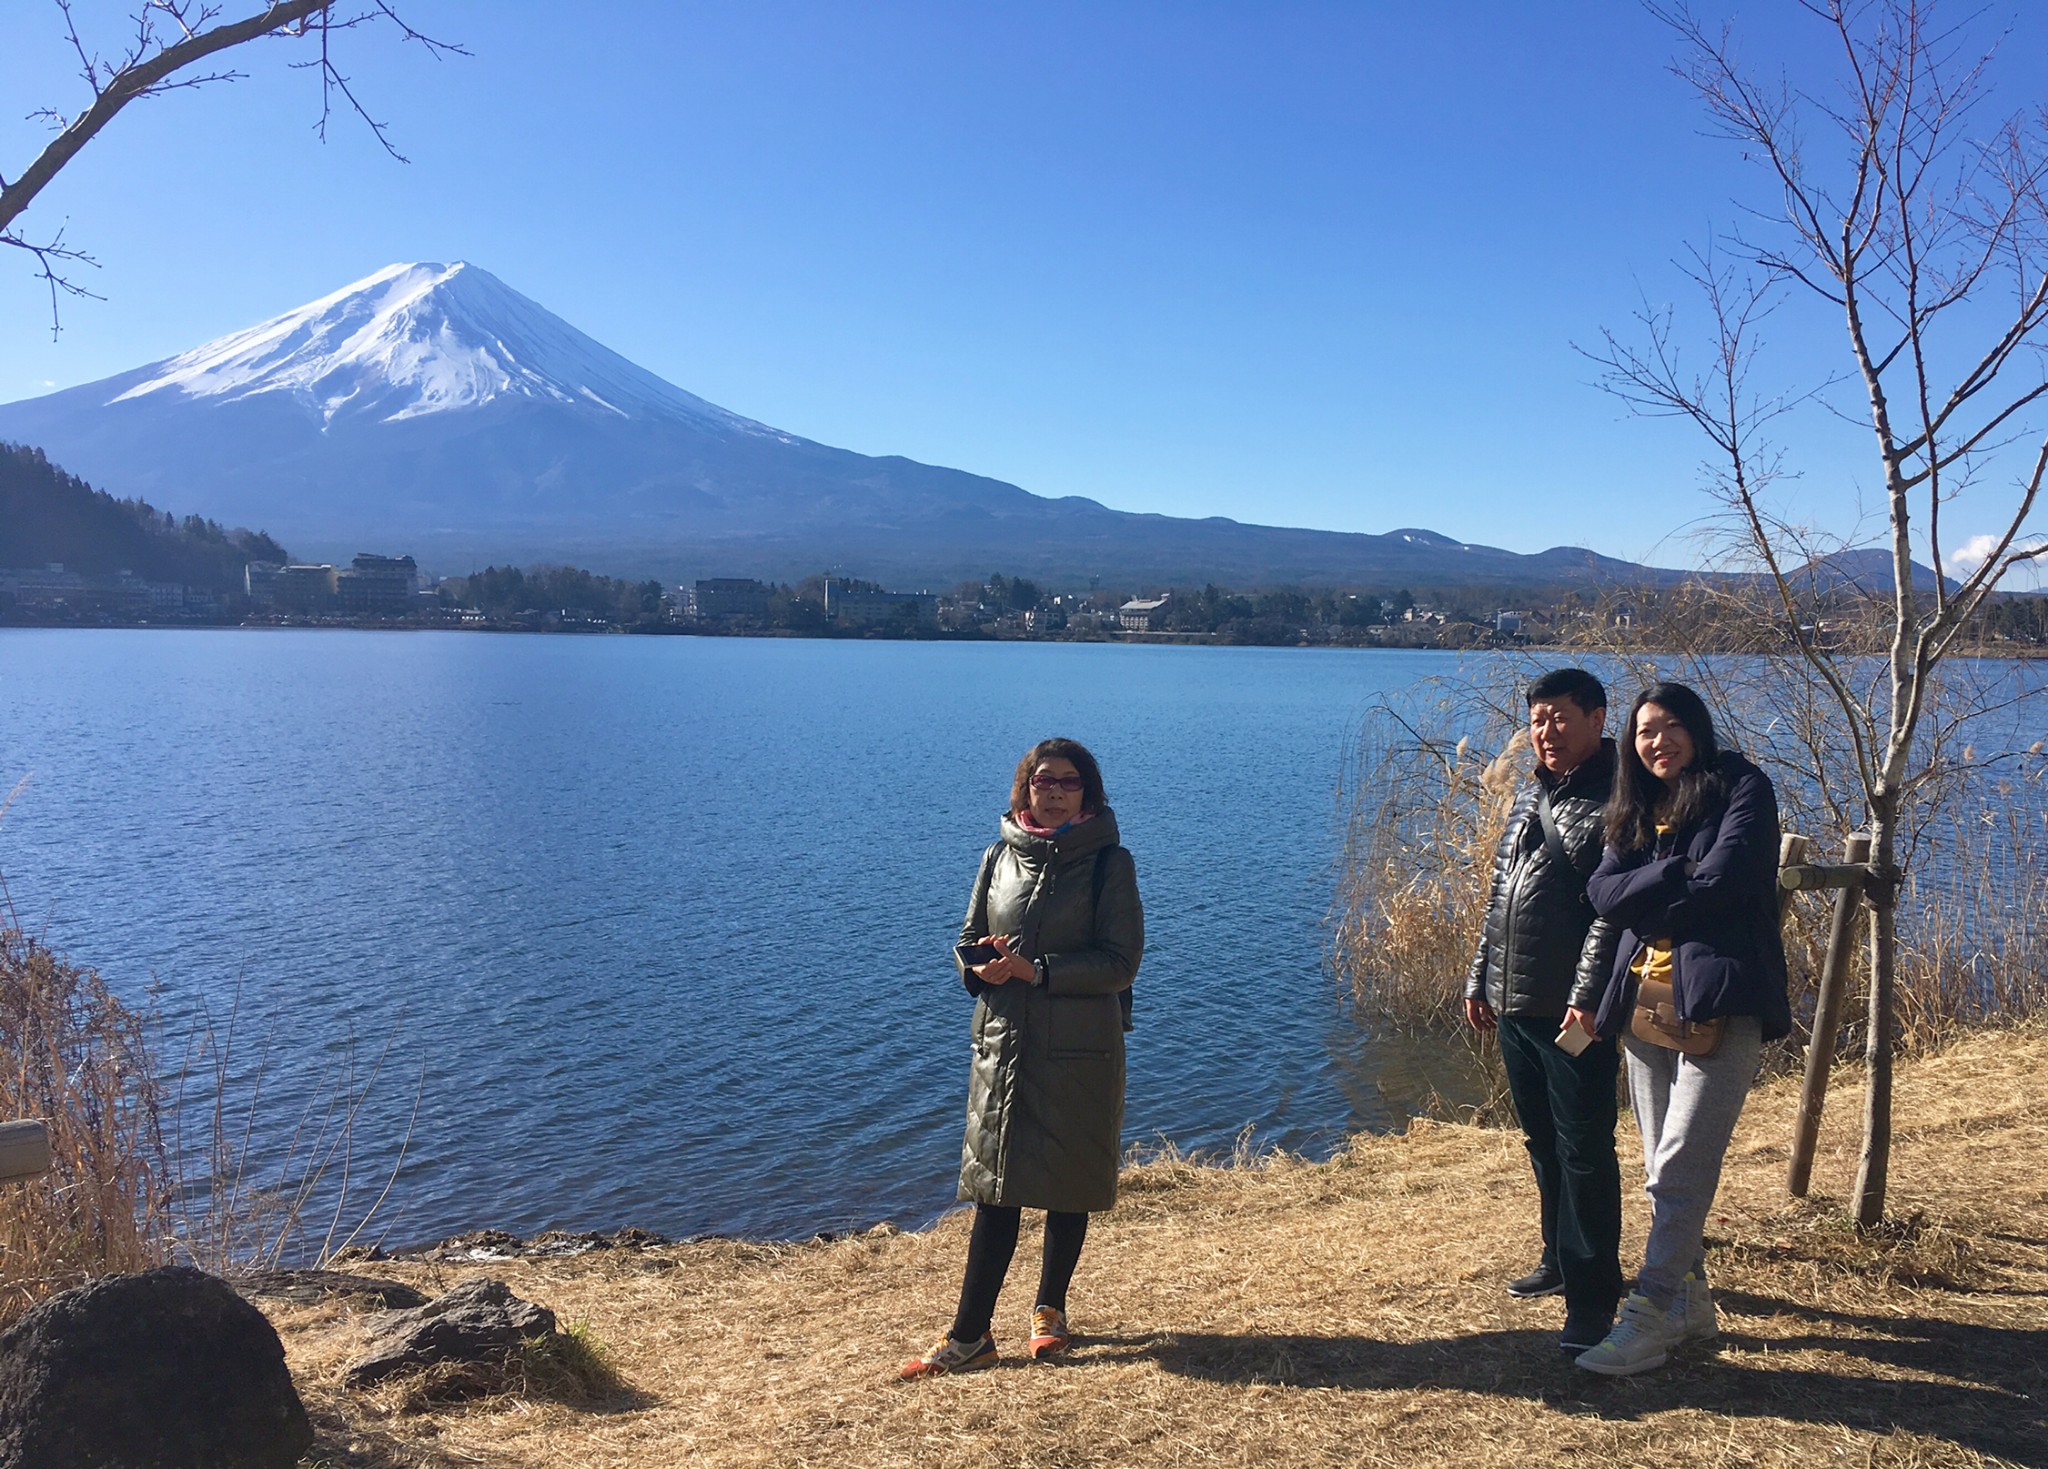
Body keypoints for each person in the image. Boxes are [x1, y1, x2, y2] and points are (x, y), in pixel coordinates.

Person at [900, 737, 1143, 1379]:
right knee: (996, 1192)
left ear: (1087, 792)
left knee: (1068, 1186)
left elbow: (1121, 964)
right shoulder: (998, 856)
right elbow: (963, 940)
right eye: (1044, 779)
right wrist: (979, 960)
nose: (1055, 790)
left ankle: (1049, 1311)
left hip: (1080, 1049)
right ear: (1025, 786)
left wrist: (1037, 971)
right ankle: (970, 1336)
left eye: (1069, 781)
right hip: (1002, 1046)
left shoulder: (1109, 864)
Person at [1575, 682, 1791, 1376]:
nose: (1656, 740)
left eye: (1669, 726)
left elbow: (1727, 879)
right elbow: (1600, 892)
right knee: (1660, 1166)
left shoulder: (1741, 785)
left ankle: (1650, 1311)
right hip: (1644, 1006)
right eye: (1644, 731)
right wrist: (1674, 870)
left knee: (1680, 1167)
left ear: (1696, 728)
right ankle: (1693, 1304)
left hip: (1720, 1002)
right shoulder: (1635, 807)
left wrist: (1650, 891)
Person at [1464, 667, 1625, 1354]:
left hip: (1571, 1015)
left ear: (1596, 718)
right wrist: (1480, 976)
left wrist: (1585, 1002)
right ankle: (1560, 1259)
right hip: (1515, 1002)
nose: (1546, 731)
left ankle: (1593, 1297)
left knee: (1585, 1149)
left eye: (1560, 716)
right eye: (1537, 718)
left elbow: (1609, 916)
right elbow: (1502, 893)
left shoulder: (1620, 801)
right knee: (1542, 1141)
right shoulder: (1532, 798)